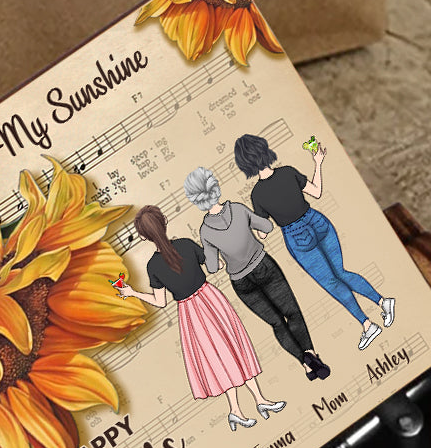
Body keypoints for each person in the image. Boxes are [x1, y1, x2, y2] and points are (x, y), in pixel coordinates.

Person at [116, 205, 285, 431]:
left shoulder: (153, 265)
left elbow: (160, 301)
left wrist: (132, 293)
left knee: (218, 357)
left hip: (190, 312)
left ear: (143, 236)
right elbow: (216, 263)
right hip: (211, 298)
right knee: (234, 346)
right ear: (164, 221)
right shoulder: (186, 244)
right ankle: (256, 401)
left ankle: (239, 410)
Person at [233, 133, 396, 351]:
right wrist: (318, 163)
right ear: (264, 150)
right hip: (318, 221)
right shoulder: (287, 171)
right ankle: (383, 302)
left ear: (245, 163)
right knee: (341, 272)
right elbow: (316, 192)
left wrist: (246, 224)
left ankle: (367, 324)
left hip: (297, 237)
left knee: (331, 282)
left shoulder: (257, 194)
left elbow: (263, 234)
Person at [183, 166, 331, 382]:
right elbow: (267, 226)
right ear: (215, 188)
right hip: (263, 266)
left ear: (196, 200)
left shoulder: (205, 231)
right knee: (292, 313)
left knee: (277, 324)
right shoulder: (238, 209)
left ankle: (305, 364)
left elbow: (213, 267)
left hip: (241, 282)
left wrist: (219, 258)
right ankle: (311, 354)